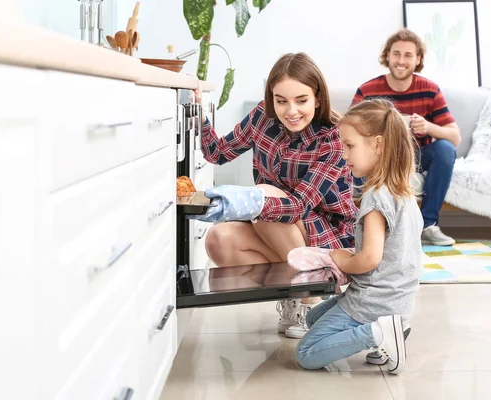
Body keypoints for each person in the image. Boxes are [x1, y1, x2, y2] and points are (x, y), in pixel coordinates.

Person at [192, 53, 357, 338]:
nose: (291, 111)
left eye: (301, 100)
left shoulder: (333, 138)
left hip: (326, 235)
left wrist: (249, 203)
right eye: (281, 101)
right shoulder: (261, 117)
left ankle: (311, 297)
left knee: (264, 196)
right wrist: (199, 115)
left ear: (318, 98)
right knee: (219, 240)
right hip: (276, 228)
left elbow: (297, 207)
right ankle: (293, 293)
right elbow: (217, 153)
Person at [296, 98, 423, 375]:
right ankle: (391, 331)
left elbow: (369, 259)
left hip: (373, 302)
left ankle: (378, 333)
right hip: (399, 300)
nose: (344, 154)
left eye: (350, 145)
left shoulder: (376, 199)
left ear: (378, 145)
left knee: (306, 353)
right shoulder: (404, 193)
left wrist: (341, 260)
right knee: (314, 317)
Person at [352, 28, 461, 246]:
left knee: (446, 149)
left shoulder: (430, 89)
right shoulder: (368, 90)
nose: (401, 60)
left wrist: (429, 127)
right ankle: (362, 226)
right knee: (351, 157)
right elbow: (349, 131)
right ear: (388, 56)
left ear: (418, 59)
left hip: (417, 157)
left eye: (408, 55)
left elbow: (455, 137)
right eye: (396, 54)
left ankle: (428, 224)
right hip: (380, 158)